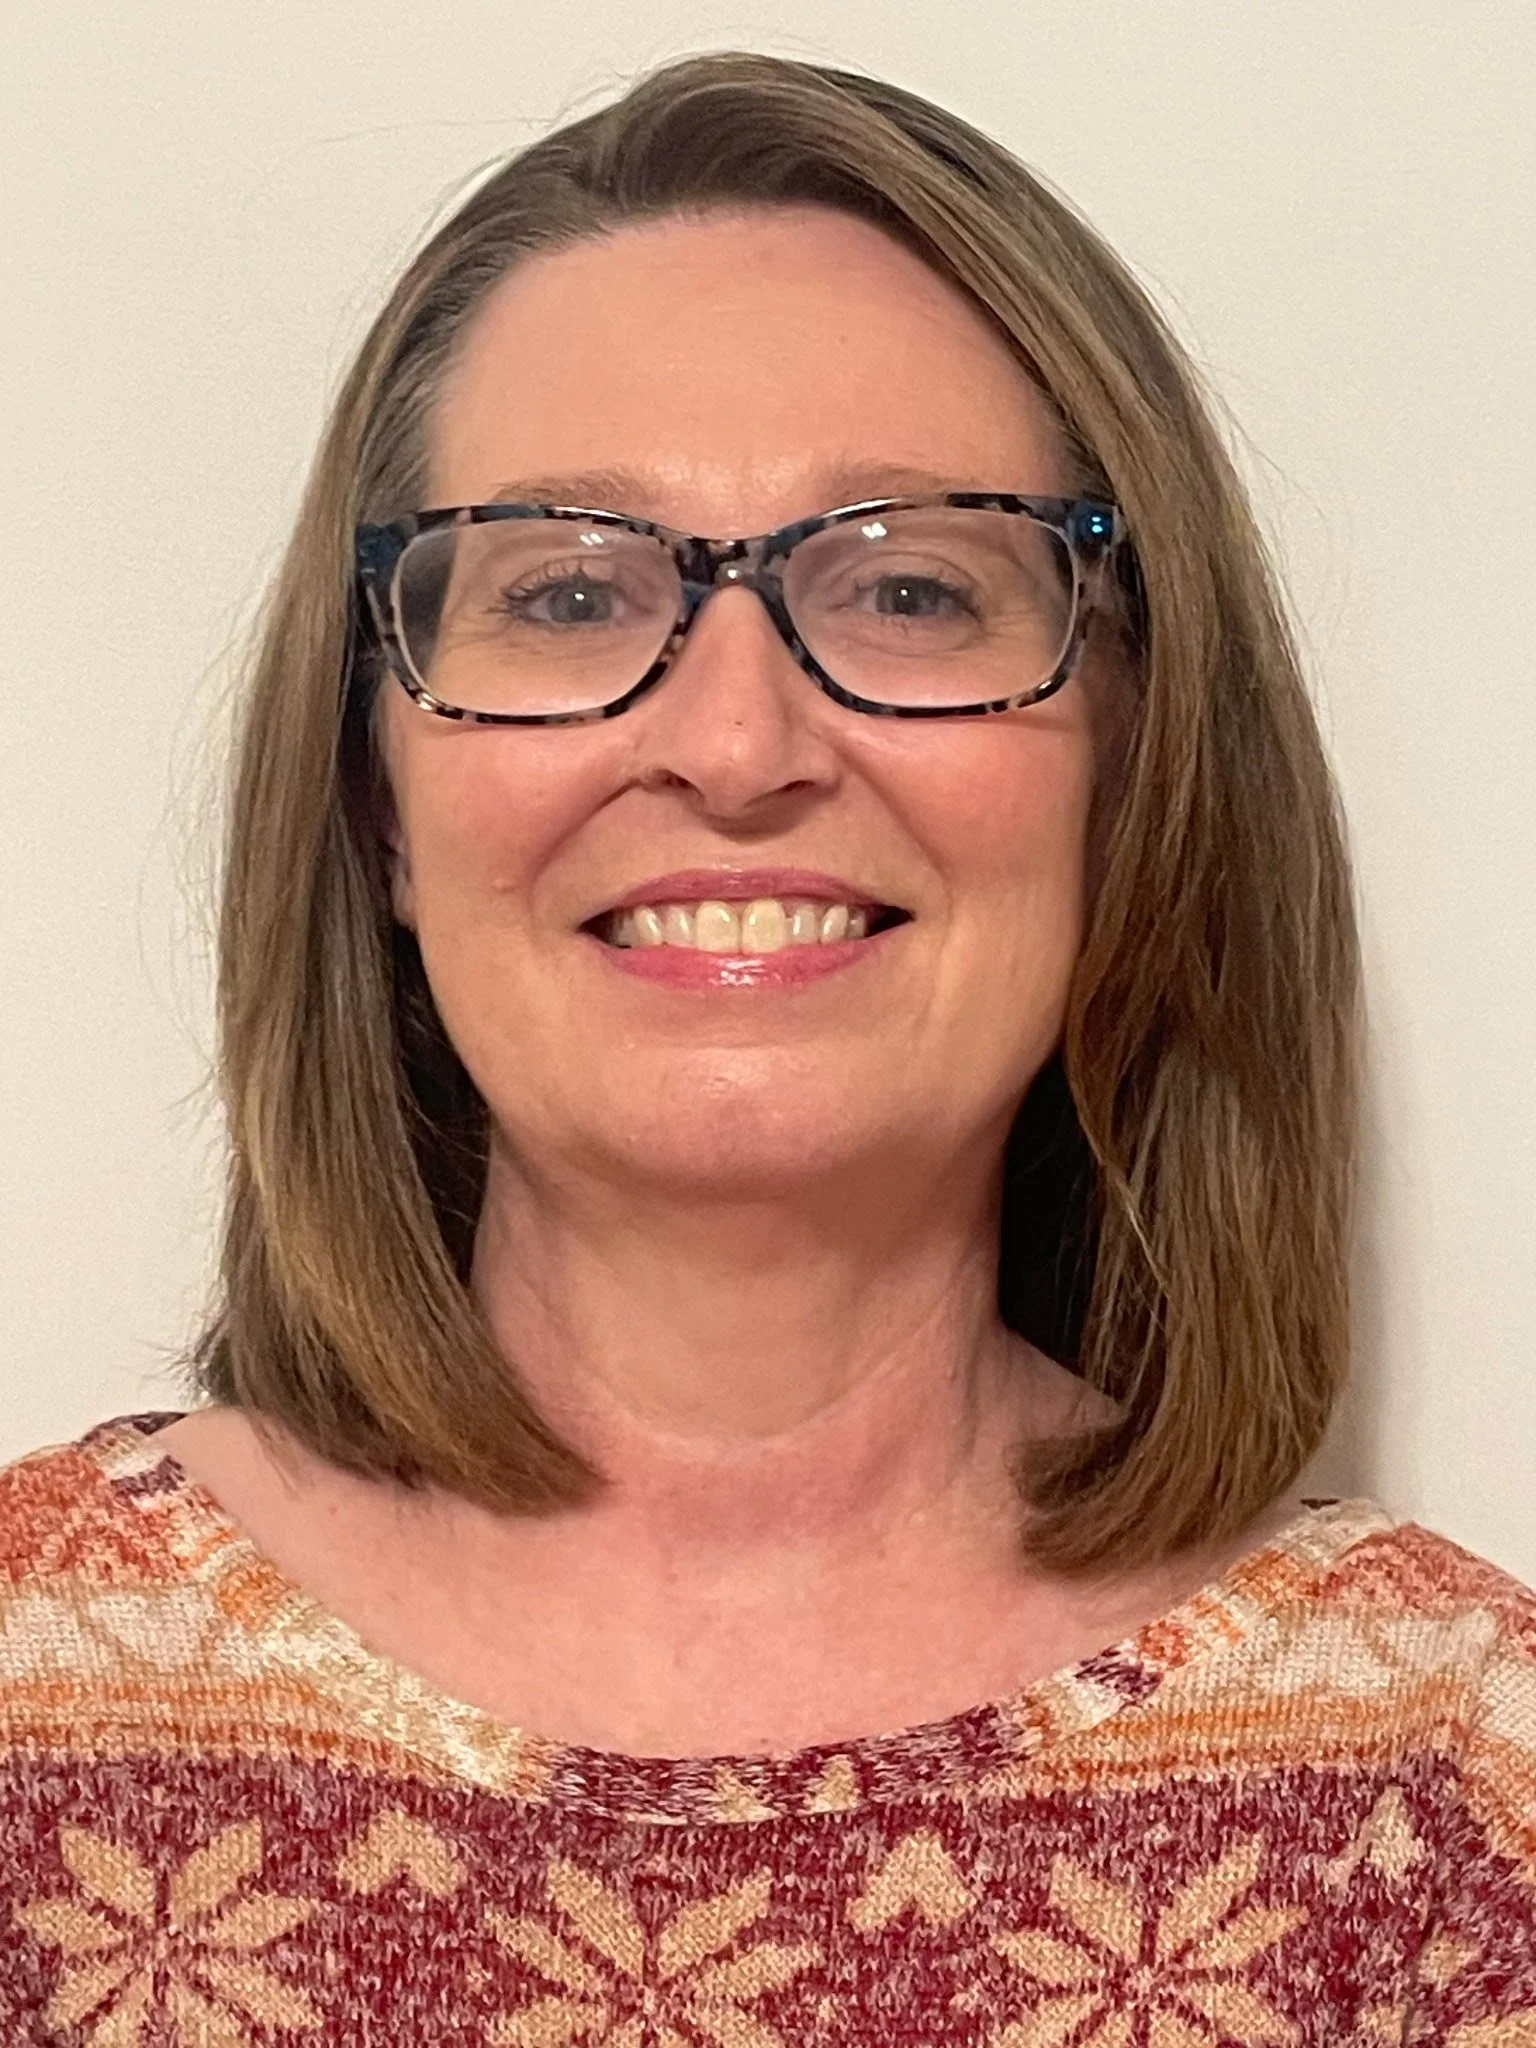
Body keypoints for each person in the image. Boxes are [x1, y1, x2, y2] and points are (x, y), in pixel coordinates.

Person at [2, 48, 1533, 2046]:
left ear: (1140, 774)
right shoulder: (33, 1709)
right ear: (378, 803)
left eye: (910, 585)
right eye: (567, 589)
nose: (736, 745)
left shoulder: (1450, 1799)